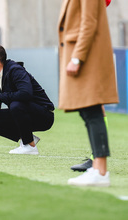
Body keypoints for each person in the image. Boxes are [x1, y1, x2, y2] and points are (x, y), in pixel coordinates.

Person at [58, 0, 119, 186]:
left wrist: (77, 58)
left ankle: (100, 172)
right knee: (88, 111)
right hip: (83, 54)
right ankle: (98, 170)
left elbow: (89, 22)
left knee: (92, 111)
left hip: (86, 56)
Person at [0, 44, 54, 155]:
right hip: (21, 113)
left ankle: (30, 146)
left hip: (43, 116)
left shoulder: (15, 70)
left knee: (16, 104)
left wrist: (1, 97)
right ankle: (28, 137)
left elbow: (26, 93)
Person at [70, 0, 112, 173]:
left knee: (95, 105)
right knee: (95, 106)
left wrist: (76, 57)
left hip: (90, 46)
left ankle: (98, 161)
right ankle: (97, 158)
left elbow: (90, 20)